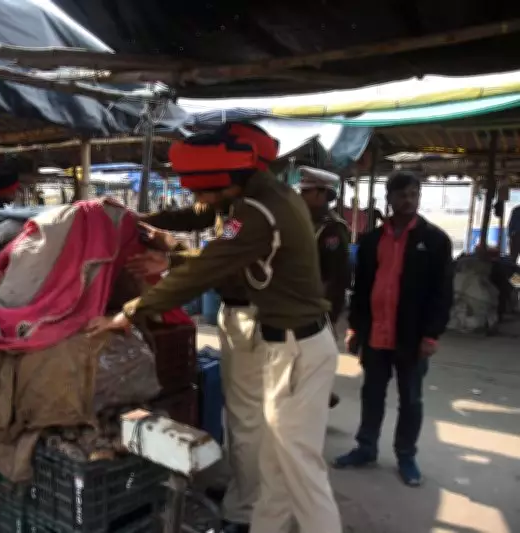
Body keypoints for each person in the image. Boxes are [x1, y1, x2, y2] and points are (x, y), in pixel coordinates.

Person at [87, 122, 342, 533]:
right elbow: (202, 223)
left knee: (300, 469)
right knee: (277, 464)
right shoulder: (264, 196)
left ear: (229, 183)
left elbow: (210, 264)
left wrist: (129, 312)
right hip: (287, 344)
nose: (200, 200)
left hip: (297, 348)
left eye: (205, 191)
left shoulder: (256, 213)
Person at [333, 171, 453, 487]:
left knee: (410, 399)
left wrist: (431, 334)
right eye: (401, 194)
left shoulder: (435, 241)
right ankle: (366, 448)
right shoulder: (373, 240)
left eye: (413, 194)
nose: (408, 200)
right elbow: (361, 290)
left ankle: (406, 456)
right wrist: (354, 329)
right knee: (372, 393)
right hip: (375, 333)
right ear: (389, 198)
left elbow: (442, 293)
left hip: (412, 337)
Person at [298, 166, 351, 409]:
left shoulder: (331, 229)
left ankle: (320, 397)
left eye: (306, 192)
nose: (301, 196)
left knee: (317, 355)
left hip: (319, 304)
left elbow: (335, 276)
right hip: (297, 302)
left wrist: (327, 312)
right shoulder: (299, 220)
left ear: (321, 195)